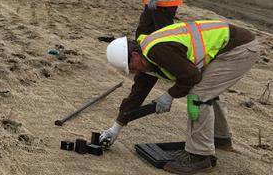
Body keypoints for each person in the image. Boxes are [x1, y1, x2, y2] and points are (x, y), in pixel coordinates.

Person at [100, 20, 258, 174]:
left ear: (134, 55)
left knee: (198, 95)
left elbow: (191, 77)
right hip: (228, 46)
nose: (134, 72)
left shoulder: (158, 50)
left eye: (132, 67)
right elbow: (138, 93)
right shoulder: (146, 55)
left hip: (238, 49)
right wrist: (116, 126)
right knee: (207, 88)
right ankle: (220, 139)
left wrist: (169, 95)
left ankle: (200, 158)